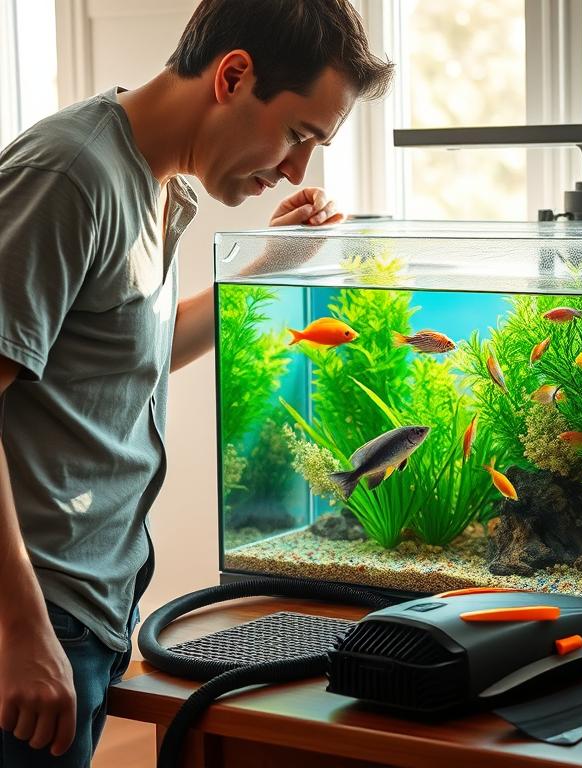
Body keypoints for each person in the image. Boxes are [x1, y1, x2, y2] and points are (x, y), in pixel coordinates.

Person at [0, 0, 393, 764]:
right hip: (32, 611)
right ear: (233, 76)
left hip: (86, 610)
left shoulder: (154, 184)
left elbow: (123, 355)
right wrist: (19, 629)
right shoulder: (69, 175)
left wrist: (265, 268)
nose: (295, 170)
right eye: (298, 135)